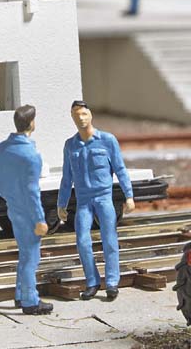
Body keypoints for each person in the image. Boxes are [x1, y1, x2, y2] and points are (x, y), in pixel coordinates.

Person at [57, 100, 135, 301]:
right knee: (82, 241)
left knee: (109, 239)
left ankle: (112, 282)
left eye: (84, 114)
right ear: (72, 118)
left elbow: (120, 169)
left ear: (90, 115)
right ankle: (92, 281)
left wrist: (129, 195)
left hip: (104, 197)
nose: (81, 119)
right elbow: (66, 177)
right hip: (83, 200)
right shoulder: (70, 145)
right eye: (76, 115)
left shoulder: (107, 140)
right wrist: (61, 204)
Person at [0, 105, 53, 315]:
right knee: (31, 257)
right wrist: (40, 219)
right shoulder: (31, 155)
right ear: (31, 123)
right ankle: (30, 301)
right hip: (28, 212)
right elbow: (32, 191)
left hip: (13, 207)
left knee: (24, 254)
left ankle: (20, 294)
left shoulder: (2, 148)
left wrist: (10, 196)